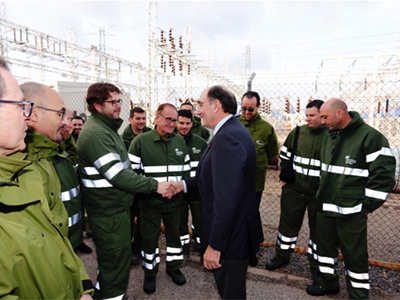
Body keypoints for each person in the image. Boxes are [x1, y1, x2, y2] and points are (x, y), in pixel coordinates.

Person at [0, 57, 94, 299]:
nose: (66, 122)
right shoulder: (23, 167)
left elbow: (55, 238)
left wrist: (82, 285)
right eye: (20, 106)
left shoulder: (41, 162)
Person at [76, 82, 174, 300]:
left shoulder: (106, 129)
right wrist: (155, 186)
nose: (119, 106)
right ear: (97, 105)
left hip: (115, 210)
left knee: (115, 263)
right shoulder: (96, 134)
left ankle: (107, 294)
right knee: (115, 262)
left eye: (120, 101)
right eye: (114, 102)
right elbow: (118, 175)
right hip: (108, 213)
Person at [171, 86, 264, 299]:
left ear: (216, 105)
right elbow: (213, 179)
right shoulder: (230, 131)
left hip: (230, 238)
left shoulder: (227, 137)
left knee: (231, 294)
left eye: (200, 104)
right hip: (234, 233)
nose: (197, 111)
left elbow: (227, 199)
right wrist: (182, 185)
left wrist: (215, 246)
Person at [306, 98, 395, 299]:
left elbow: (383, 175)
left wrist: (367, 204)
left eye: (325, 117)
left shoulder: (370, 137)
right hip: (326, 209)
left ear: (340, 113)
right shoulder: (330, 135)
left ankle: (358, 295)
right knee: (325, 251)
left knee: (355, 257)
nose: (323, 121)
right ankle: (329, 284)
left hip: (352, 212)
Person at [128, 103, 190, 294]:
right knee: (149, 239)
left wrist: (177, 190)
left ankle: (173, 267)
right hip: (149, 204)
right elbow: (132, 175)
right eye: (168, 119)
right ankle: (150, 272)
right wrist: (154, 189)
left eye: (175, 120)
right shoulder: (140, 142)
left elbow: (185, 172)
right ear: (157, 118)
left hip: (174, 203)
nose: (172, 123)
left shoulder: (180, 142)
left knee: (174, 237)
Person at [266, 100, 326, 282]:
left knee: (319, 231)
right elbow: (284, 156)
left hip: (319, 194)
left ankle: (316, 267)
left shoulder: (331, 135)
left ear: (322, 116)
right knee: (287, 226)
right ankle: (282, 256)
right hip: (294, 191)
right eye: (306, 115)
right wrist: (285, 178)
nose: (308, 119)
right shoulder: (298, 132)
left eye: (312, 115)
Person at [20, 82, 70, 238]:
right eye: (59, 113)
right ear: (33, 114)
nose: (65, 122)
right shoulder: (20, 164)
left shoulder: (44, 155)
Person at [51, 107, 93, 254]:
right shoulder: (52, 150)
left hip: (75, 186)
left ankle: (77, 241)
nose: (71, 126)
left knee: (77, 214)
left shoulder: (66, 144)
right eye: (68, 121)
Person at [175, 109, 207, 266]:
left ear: (192, 124)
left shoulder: (201, 143)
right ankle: (184, 252)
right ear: (176, 123)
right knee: (180, 224)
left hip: (196, 192)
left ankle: (203, 252)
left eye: (187, 123)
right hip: (178, 193)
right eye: (181, 122)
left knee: (200, 222)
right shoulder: (170, 142)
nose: (184, 126)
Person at [120, 107, 152, 266]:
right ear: (130, 120)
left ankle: (138, 249)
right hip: (130, 187)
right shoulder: (123, 140)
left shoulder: (150, 135)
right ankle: (127, 251)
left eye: (143, 118)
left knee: (143, 221)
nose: (141, 122)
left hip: (146, 186)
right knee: (128, 221)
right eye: (138, 118)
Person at [239, 91, 278, 205]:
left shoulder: (266, 129)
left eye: (251, 109)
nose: (246, 112)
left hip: (255, 183)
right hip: (235, 181)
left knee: (251, 214)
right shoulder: (234, 124)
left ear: (258, 107)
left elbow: (272, 154)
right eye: (243, 108)